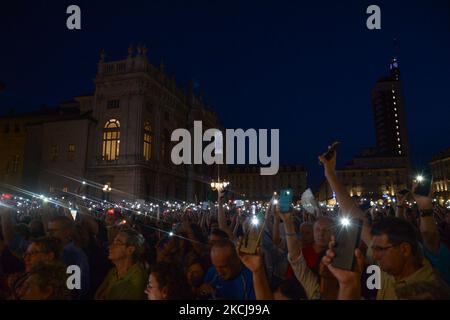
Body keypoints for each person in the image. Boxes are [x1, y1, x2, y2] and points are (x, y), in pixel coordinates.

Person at [319, 149, 449, 299]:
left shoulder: (430, 282)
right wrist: (329, 174)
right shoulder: (388, 270)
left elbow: (430, 238)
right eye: (374, 249)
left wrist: (425, 208)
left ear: (405, 249)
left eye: (380, 249)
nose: (374, 256)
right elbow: (358, 219)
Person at [95, 228, 147, 300]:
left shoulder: (137, 281)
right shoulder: (113, 272)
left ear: (130, 250)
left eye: (117, 243)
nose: (110, 247)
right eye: (113, 242)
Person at [47, 216, 90, 298]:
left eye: (54, 231)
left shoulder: (73, 254)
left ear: (67, 232)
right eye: (49, 231)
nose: (50, 234)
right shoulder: (59, 250)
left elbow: (75, 287)